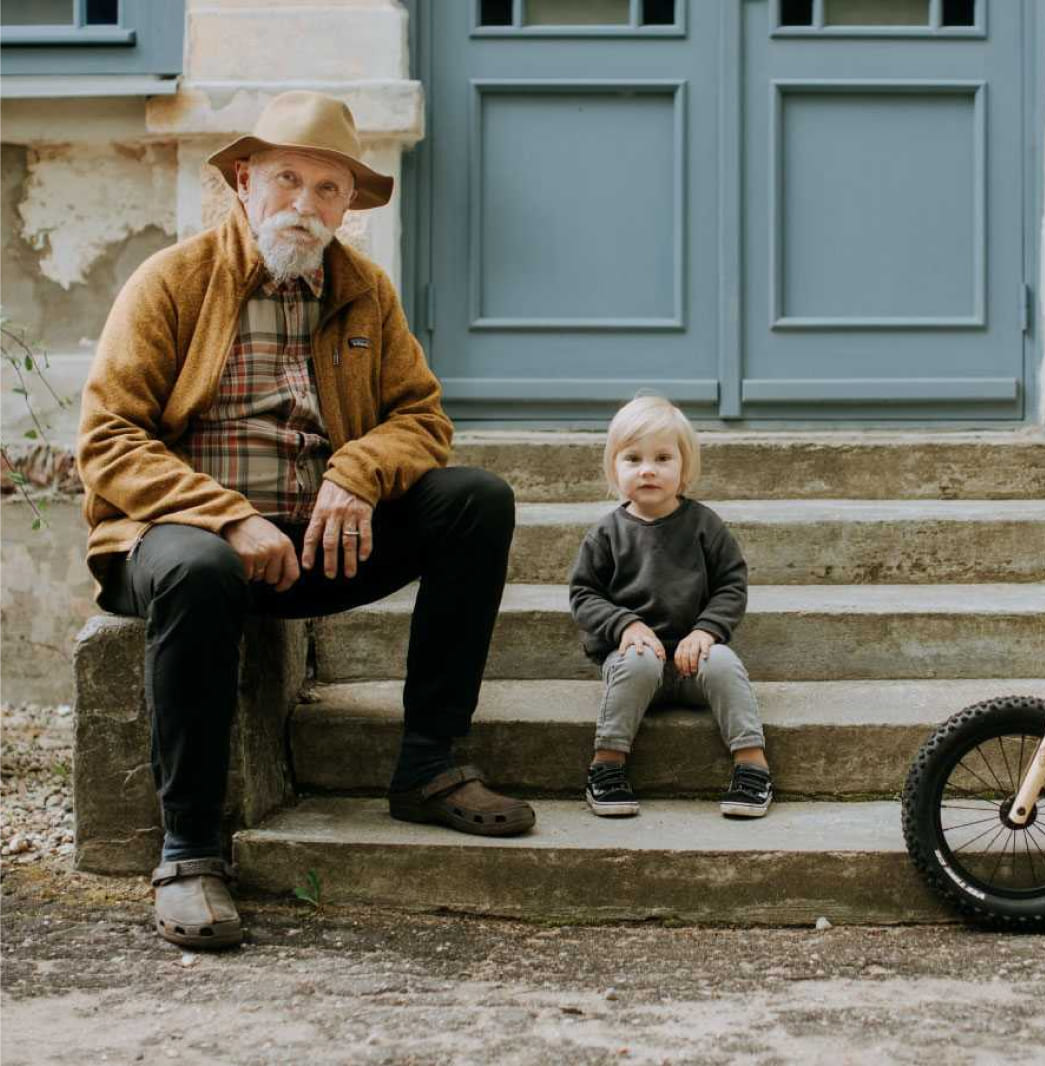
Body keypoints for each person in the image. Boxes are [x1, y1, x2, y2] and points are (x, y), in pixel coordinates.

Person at [76, 91, 533, 952]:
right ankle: (190, 853)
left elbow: (422, 420)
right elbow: (107, 438)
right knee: (197, 567)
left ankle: (429, 765)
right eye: (289, 178)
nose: (307, 203)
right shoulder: (173, 280)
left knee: (475, 500)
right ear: (245, 181)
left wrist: (358, 474)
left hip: (318, 543)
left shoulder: (363, 291)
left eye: (330, 189)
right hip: (182, 540)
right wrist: (228, 517)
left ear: (346, 205)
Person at [568, 396, 773, 819]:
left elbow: (732, 585)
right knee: (637, 664)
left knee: (724, 663)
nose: (647, 469)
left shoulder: (704, 525)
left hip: (691, 659)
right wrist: (624, 625)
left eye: (662, 458)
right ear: (614, 468)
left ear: (684, 467)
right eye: (633, 458)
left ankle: (752, 764)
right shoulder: (606, 533)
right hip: (635, 661)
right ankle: (607, 765)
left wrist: (706, 631)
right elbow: (584, 594)